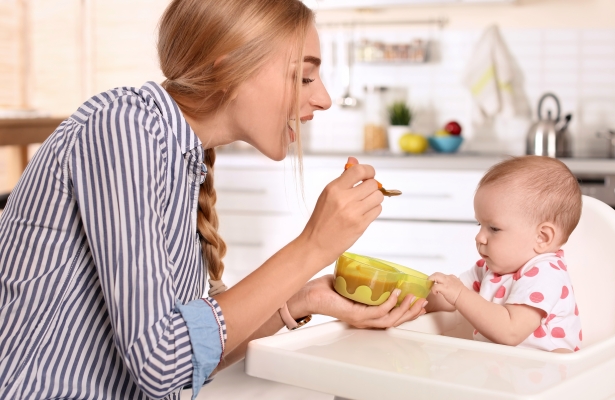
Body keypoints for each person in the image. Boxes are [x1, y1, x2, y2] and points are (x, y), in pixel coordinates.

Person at [0, 1, 427, 399]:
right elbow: (160, 363)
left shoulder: (177, 156)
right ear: (230, 71)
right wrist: (313, 245)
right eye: (303, 76)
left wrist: (306, 298)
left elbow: (190, 356)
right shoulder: (125, 128)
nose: (323, 99)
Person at [428, 155, 583, 353]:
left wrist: (459, 293)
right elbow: (447, 299)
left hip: (544, 375)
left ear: (542, 237)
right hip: (500, 371)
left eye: (493, 228)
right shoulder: (489, 269)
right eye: (480, 225)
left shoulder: (546, 274)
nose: (479, 237)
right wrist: (418, 297)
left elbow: (510, 331)